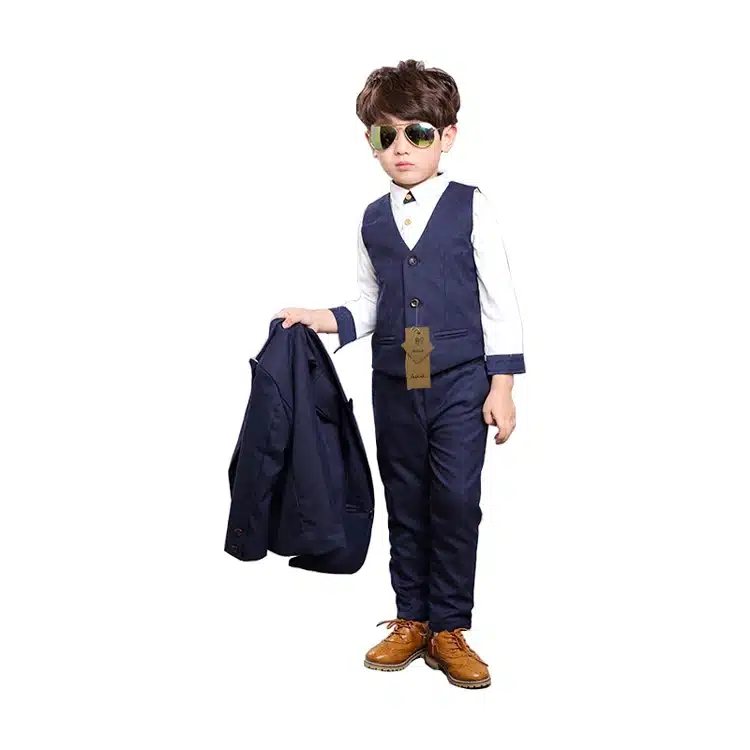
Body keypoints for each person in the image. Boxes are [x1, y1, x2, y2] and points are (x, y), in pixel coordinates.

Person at [273, 59, 525, 690]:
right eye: (387, 135)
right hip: (395, 377)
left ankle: (450, 627)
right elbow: (371, 301)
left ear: (448, 136)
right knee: (405, 497)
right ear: (371, 143)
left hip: (462, 380)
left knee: (456, 499)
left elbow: (499, 300)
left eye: (417, 132)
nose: (402, 147)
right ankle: (411, 618)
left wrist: (502, 384)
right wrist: (320, 319)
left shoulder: (471, 207)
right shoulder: (371, 218)